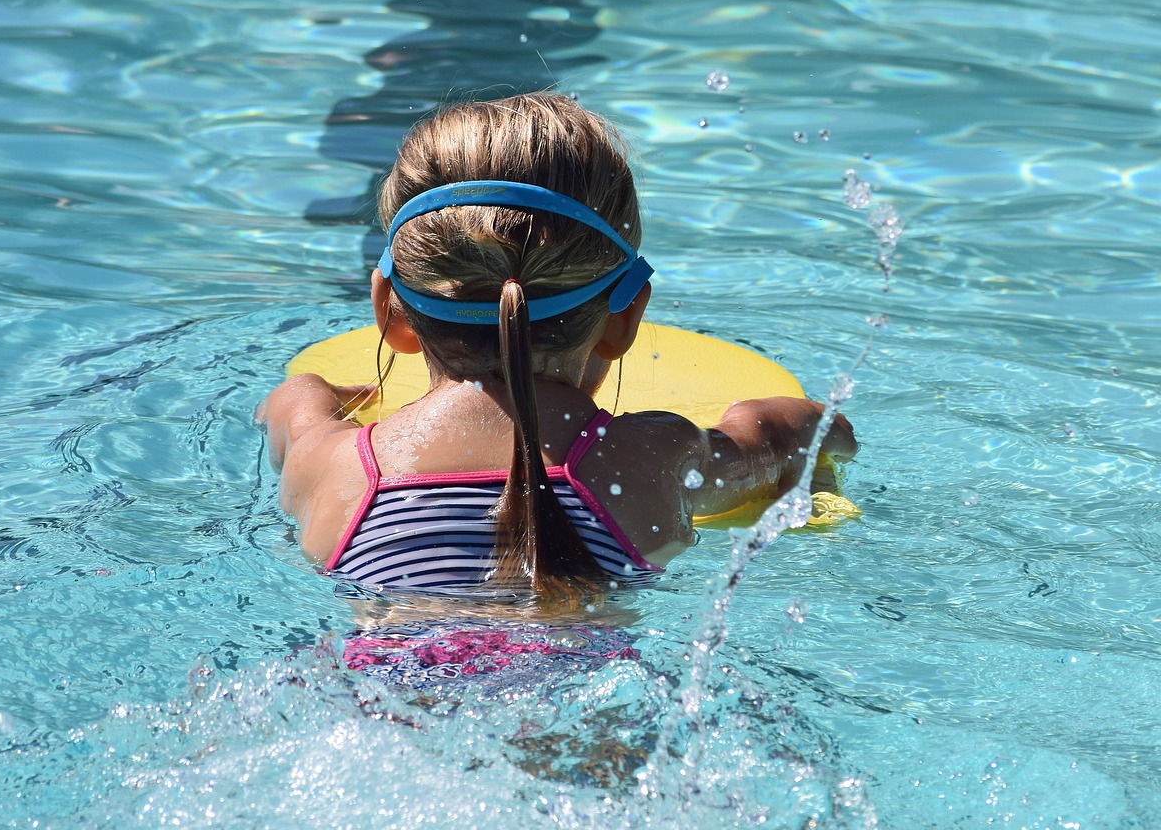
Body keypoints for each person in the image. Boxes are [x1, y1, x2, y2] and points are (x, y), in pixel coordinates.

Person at [261, 92, 857, 617]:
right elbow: (790, 434)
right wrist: (814, 430)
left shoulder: (332, 467)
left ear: (391, 312)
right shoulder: (646, 457)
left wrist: (331, 394)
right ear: (624, 317)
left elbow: (293, 402)